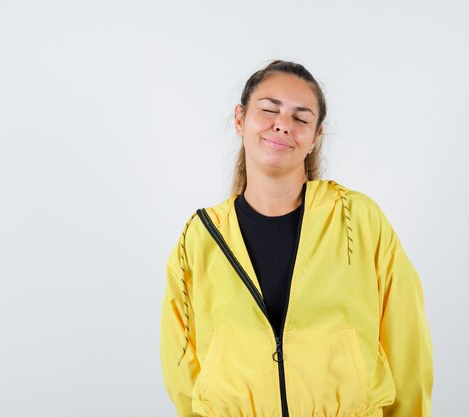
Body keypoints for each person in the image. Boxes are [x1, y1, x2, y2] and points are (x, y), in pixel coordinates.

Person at [160, 60, 433, 417]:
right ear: (240, 120)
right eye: (269, 109)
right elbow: (181, 368)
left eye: (301, 118)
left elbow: (407, 348)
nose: (282, 124)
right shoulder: (199, 237)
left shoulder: (359, 221)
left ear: (315, 136)